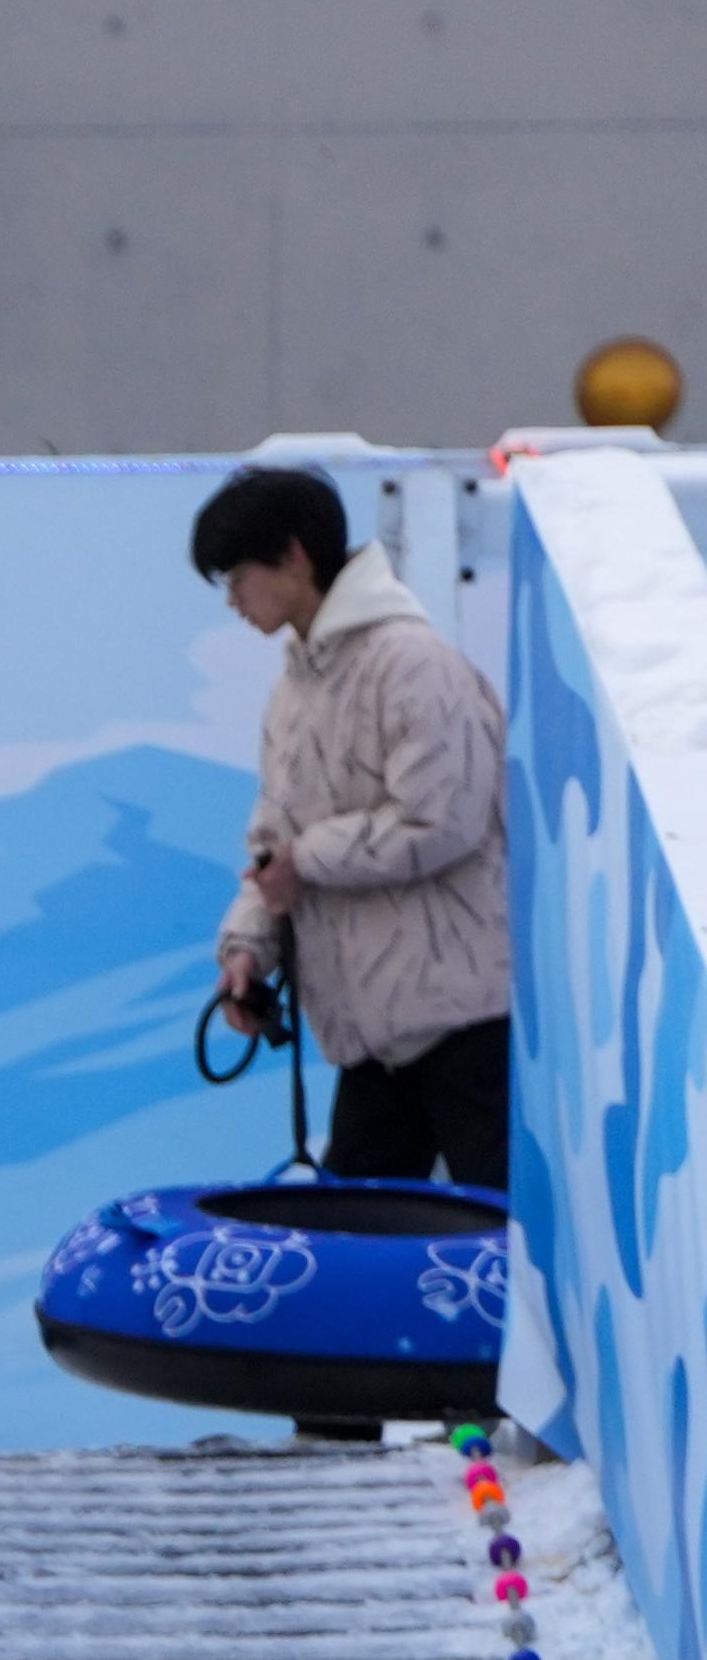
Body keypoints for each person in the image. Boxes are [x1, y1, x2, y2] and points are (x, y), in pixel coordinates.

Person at [196, 462, 510, 1195]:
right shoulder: (293, 690)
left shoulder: (416, 665)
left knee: (502, 1248)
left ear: (294, 556)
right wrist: (249, 950)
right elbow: (272, 843)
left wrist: (305, 859)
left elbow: (442, 820)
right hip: (373, 1039)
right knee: (354, 1250)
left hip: (467, 1026)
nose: (234, 599)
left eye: (238, 574)